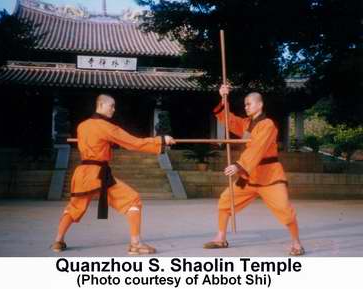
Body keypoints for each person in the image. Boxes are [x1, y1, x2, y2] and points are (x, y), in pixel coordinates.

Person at [51, 94, 175, 255]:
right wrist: (161, 140)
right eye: (112, 106)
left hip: (83, 173)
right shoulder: (106, 127)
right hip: (98, 174)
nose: (114, 109)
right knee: (133, 200)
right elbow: (134, 143)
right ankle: (135, 243)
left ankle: (58, 241)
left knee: (74, 207)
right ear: (101, 105)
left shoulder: (82, 126)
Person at [203, 84, 305, 256]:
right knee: (225, 201)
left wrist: (238, 165)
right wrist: (223, 97)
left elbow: (257, 148)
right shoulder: (246, 124)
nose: (246, 107)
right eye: (245, 104)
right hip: (249, 176)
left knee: (285, 210)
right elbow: (227, 119)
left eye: (249, 103)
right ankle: (221, 238)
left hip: (269, 176)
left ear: (260, 105)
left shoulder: (268, 125)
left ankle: (296, 243)